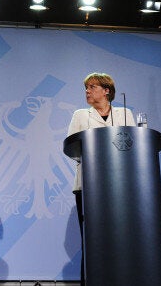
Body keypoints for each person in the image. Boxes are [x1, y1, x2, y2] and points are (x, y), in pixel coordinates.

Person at [66, 72, 135, 286]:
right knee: (92, 241)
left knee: (121, 239)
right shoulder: (80, 115)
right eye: (86, 88)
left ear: (106, 90)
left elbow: (134, 145)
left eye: (92, 87)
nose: (87, 91)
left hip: (121, 187)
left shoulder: (125, 113)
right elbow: (71, 148)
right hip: (89, 185)